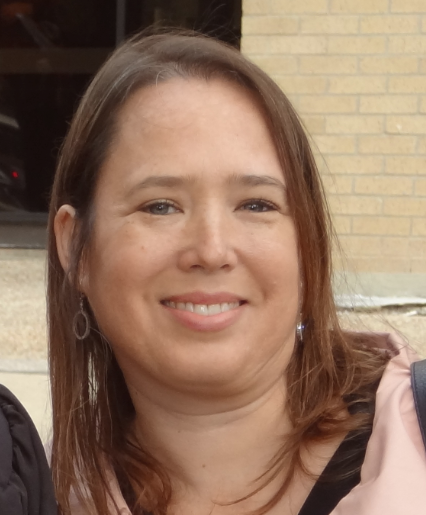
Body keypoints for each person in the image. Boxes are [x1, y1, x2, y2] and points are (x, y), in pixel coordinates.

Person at [48, 31, 426, 515]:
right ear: (76, 249)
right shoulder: (35, 492)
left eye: (256, 204)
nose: (211, 250)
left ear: (307, 244)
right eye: (160, 206)